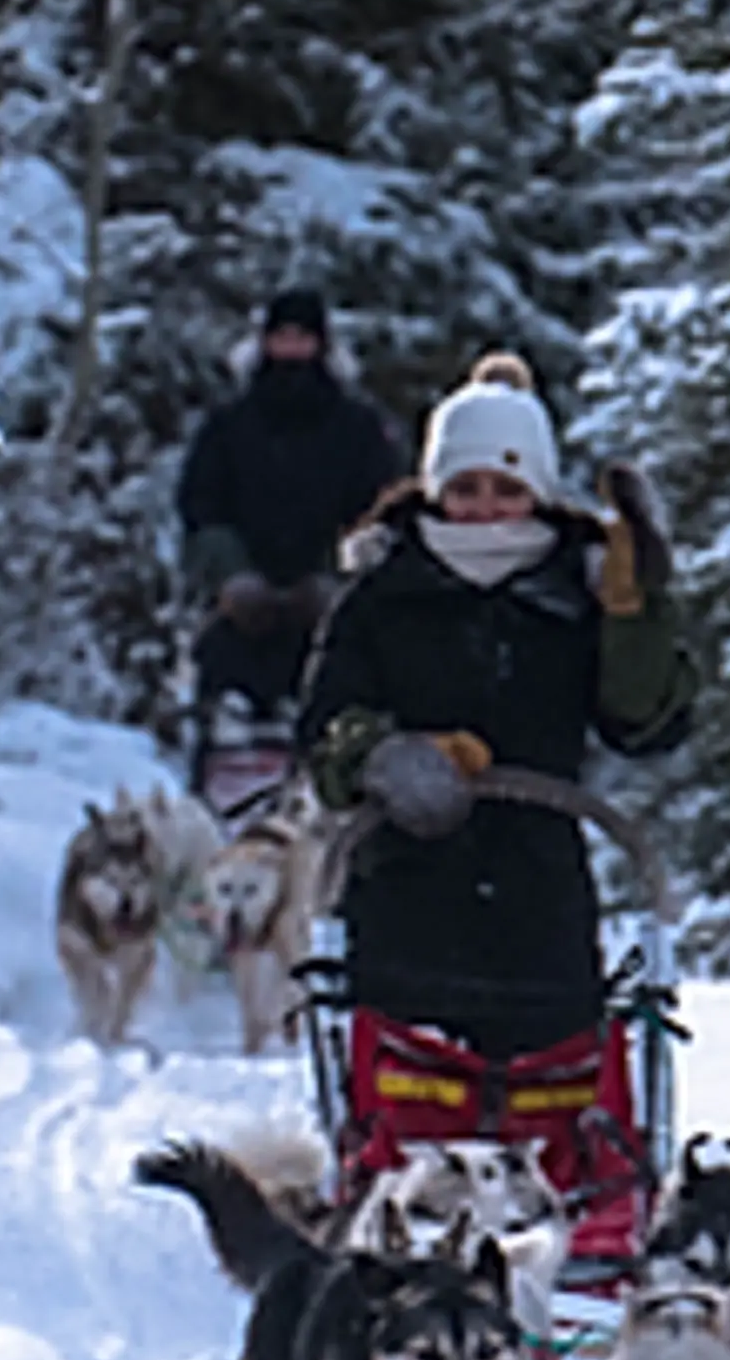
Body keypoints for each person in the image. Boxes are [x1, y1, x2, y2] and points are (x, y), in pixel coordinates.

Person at [297, 348, 694, 1063]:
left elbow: (645, 724)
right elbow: (326, 723)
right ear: (434, 487)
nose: (484, 509)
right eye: (466, 487)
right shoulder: (383, 593)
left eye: (505, 488)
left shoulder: (577, 592)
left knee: (553, 1105)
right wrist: (383, 757)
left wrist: (638, 617)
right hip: (403, 892)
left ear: (537, 489)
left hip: (539, 894)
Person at [176, 288, 400, 788]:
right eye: (282, 337)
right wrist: (230, 574)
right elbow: (200, 507)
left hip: (330, 612)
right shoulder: (228, 427)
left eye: (302, 338)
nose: (291, 348)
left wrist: (335, 575)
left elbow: (379, 512)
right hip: (240, 610)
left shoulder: (359, 429)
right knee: (221, 685)